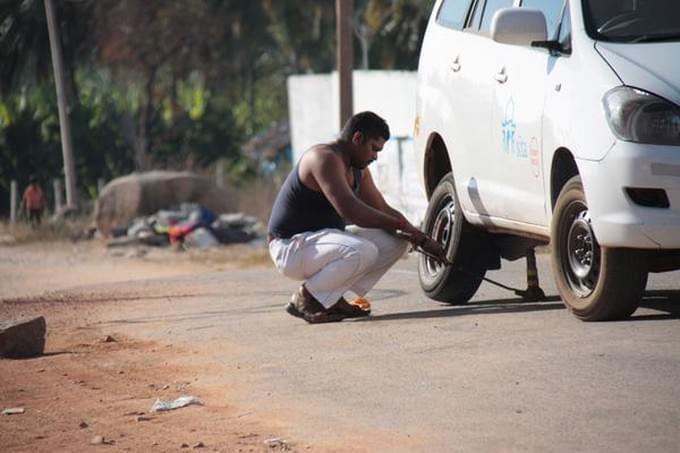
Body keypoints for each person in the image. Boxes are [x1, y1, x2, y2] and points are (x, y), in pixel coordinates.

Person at [267, 111, 447, 323]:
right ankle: (306, 298)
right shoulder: (324, 158)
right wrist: (401, 225)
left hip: (320, 242)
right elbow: (353, 211)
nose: (375, 156)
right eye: (373, 149)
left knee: (396, 242)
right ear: (357, 138)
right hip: (290, 247)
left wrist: (419, 237)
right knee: (363, 250)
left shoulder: (358, 170)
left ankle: (331, 298)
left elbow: (383, 209)